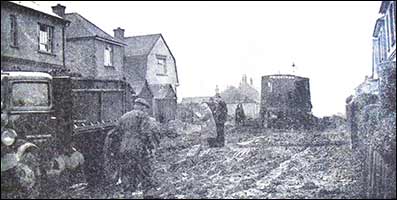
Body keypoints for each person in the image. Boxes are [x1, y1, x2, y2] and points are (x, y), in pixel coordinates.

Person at [113, 98, 161, 198]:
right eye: (145, 108)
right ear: (142, 106)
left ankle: (127, 193)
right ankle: (148, 192)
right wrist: (150, 146)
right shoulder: (143, 116)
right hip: (139, 148)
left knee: (127, 171)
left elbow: (116, 133)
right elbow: (146, 132)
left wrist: (120, 147)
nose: (146, 110)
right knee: (144, 170)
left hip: (125, 148)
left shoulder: (124, 116)